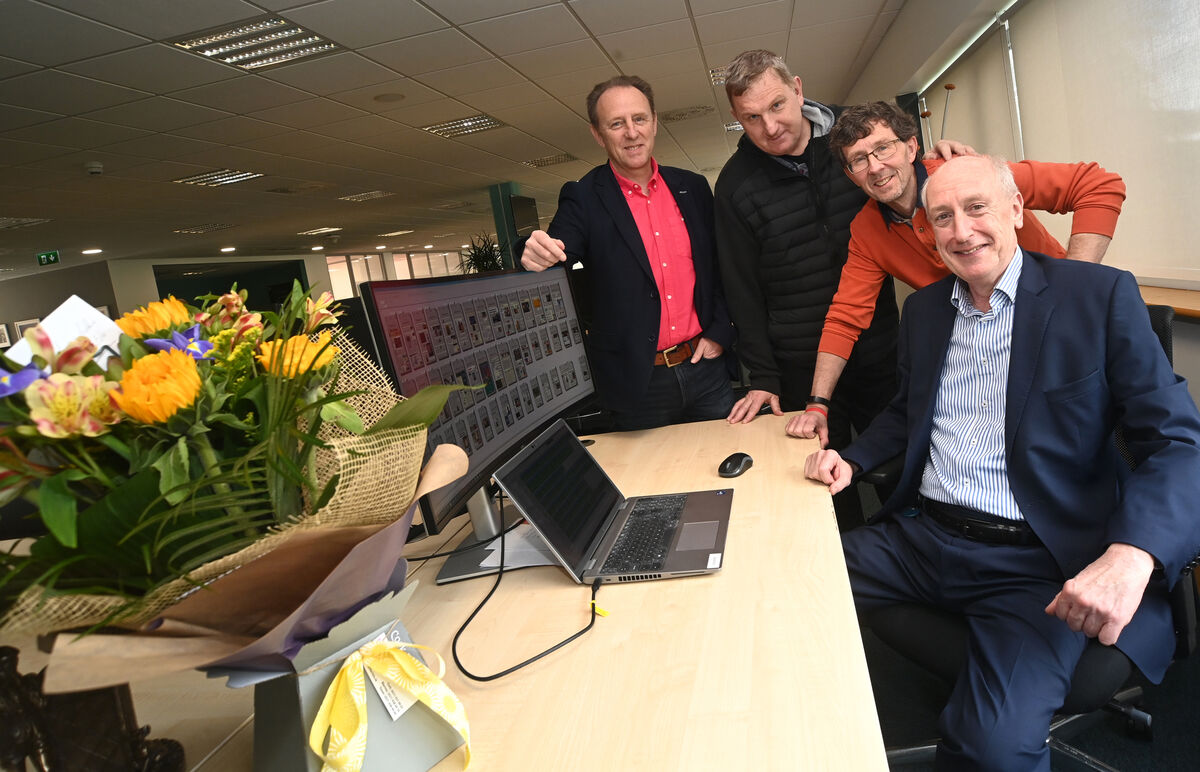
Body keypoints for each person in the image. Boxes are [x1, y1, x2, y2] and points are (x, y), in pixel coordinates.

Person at [804, 155, 1200, 770]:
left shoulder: (1095, 296)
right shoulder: (925, 311)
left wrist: (1132, 554)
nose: (961, 231)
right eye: (942, 217)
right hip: (921, 539)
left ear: (1016, 209)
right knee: (779, 580)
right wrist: (851, 462)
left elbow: (1177, 443)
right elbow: (908, 412)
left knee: (990, 750)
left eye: (976, 208)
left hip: (1033, 563)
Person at [790, 100, 1125, 446]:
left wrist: (1071, 285)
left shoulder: (968, 175)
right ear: (851, 175)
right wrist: (818, 404)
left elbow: (1097, 185)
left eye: (883, 148)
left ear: (911, 147)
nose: (875, 167)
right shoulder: (867, 230)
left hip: (1061, 326)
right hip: (990, 350)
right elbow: (845, 317)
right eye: (859, 160)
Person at [714, 50, 955, 528]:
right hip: (801, 362)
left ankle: (917, 543)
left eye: (777, 105)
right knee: (822, 483)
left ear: (798, 89)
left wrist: (943, 158)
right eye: (751, 118)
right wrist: (763, 375)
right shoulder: (735, 185)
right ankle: (843, 557)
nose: (770, 127)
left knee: (906, 461)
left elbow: (908, 175)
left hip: (879, 344)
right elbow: (741, 289)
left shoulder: (856, 139)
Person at [519, 75, 736, 430]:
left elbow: (720, 269)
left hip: (706, 371)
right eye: (616, 124)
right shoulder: (584, 198)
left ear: (654, 122)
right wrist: (530, 251)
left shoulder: (693, 187)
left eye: (639, 119)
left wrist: (720, 334)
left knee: (728, 462)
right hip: (638, 386)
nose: (632, 133)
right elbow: (553, 251)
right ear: (598, 134)